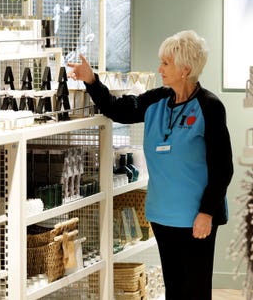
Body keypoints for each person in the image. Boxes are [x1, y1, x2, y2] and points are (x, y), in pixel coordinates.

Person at [67, 30, 233, 299]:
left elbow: (222, 167)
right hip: (162, 214)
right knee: (174, 290)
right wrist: (91, 80)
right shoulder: (157, 99)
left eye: (166, 63)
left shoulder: (209, 107)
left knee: (195, 291)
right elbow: (117, 108)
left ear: (185, 69)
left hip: (196, 218)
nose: (159, 69)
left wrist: (207, 212)